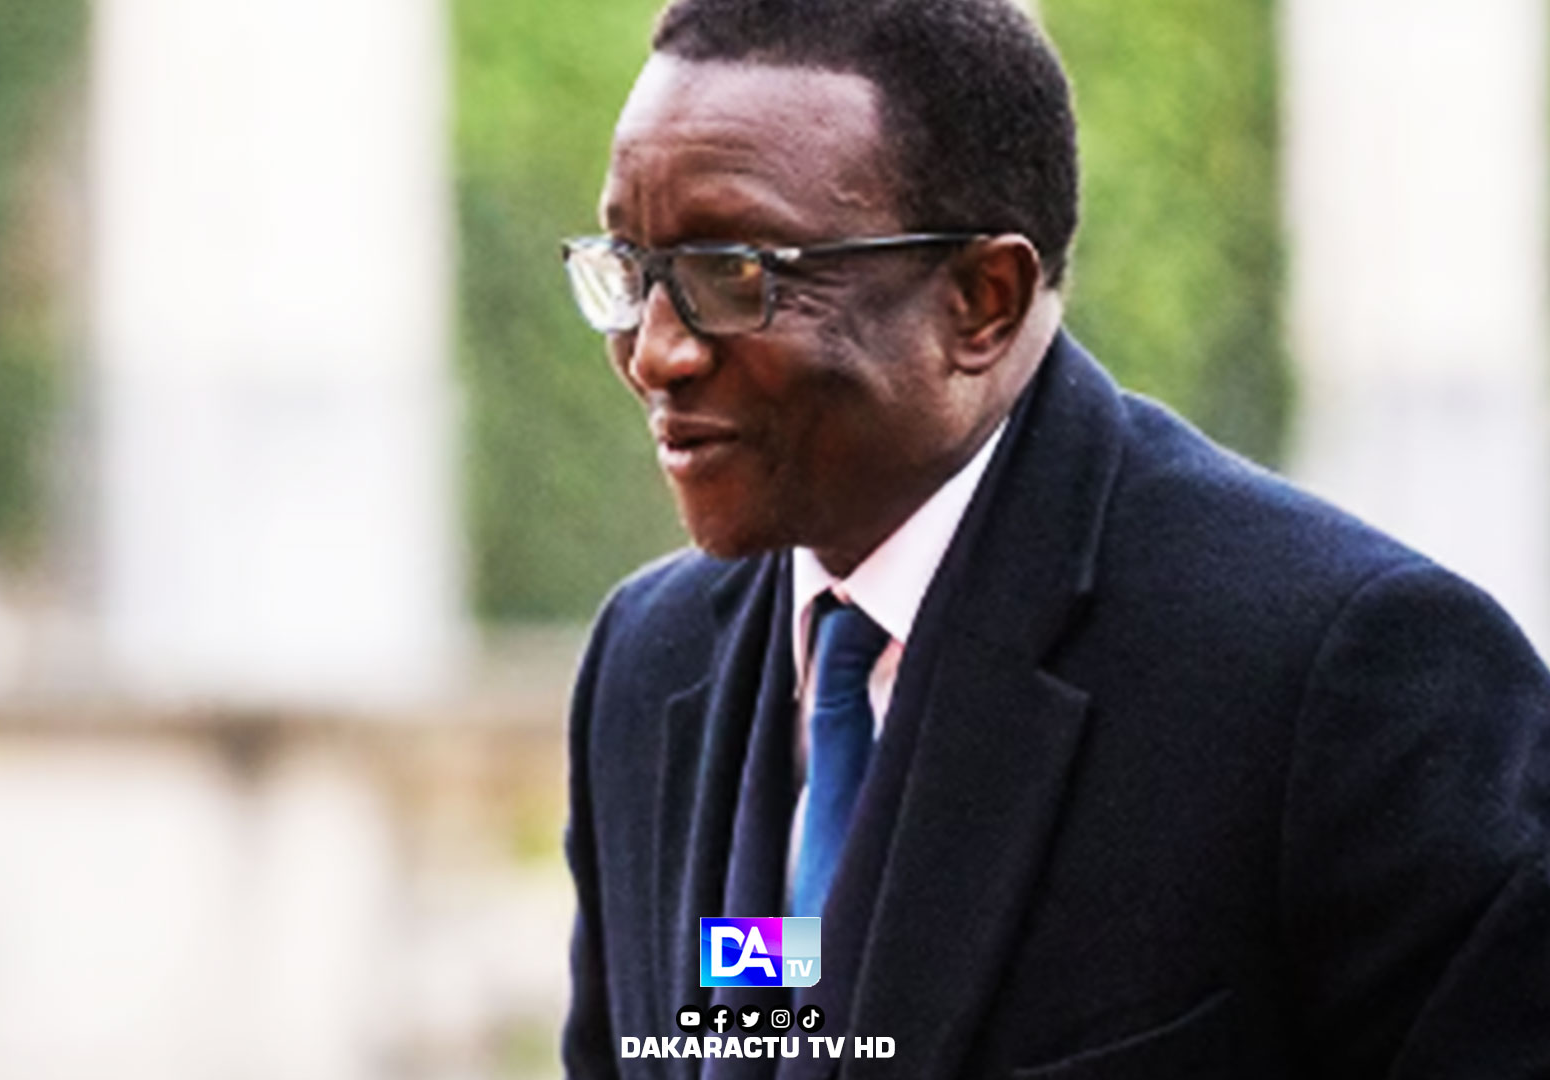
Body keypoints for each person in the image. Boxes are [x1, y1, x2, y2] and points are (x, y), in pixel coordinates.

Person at [556, 1, 1550, 1077]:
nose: (654, 353)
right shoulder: (647, 662)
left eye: (733, 274)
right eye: (632, 269)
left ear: (982, 302)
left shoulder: (1346, 679)